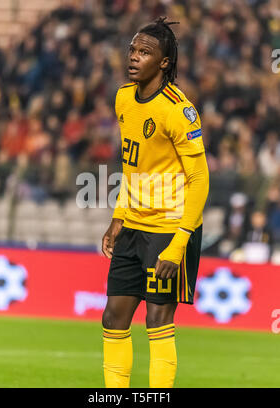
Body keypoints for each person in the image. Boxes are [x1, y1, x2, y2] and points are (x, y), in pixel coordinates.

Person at [101, 17, 209, 388]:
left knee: (157, 320)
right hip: (133, 226)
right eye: (133, 49)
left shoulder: (178, 110)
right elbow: (133, 165)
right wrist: (119, 215)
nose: (134, 57)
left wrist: (179, 243)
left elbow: (200, 179)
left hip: (169, 229)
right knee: (113, 318)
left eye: (145, 52)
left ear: (164, 62)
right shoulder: (122, 98)